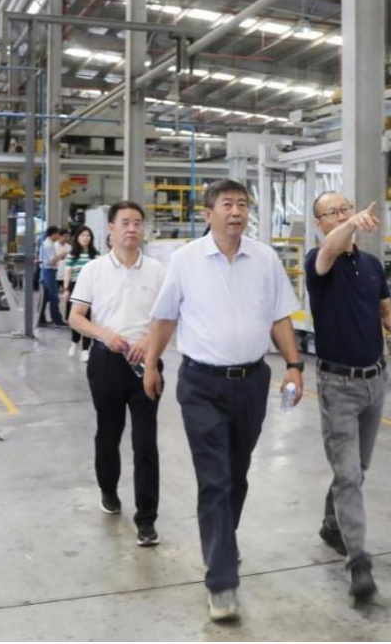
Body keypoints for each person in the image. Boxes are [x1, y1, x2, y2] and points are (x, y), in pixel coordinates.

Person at [144, 179, 303, 622]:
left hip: (251, 381)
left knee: (237, 474)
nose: (236, 211)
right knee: (214, 479)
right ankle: (221, 580)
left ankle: (222, 544)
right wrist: (152, 364)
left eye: (242, 204)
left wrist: (294, 365)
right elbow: (165, 318)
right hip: (202, 384)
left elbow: (280, 316)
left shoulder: (265, 258)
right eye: (227, 204)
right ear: (208, 213)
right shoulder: (186, 260)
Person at [306, 193, 391, 602]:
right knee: (349, 474)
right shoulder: (319, 261)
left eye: (345, 209)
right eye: (332, 213)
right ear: (319, 223)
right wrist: (350, 225)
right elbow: (332, 248)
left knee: (357, 468)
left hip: (374, 380)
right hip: (337, 385)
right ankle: (359, 563)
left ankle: (333, 524)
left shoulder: (371, 264)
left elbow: (385, 311)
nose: (341, 216)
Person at [68, 201, 167, 548]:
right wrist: (105, 335)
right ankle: (108, 490)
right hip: (106, 362)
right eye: (125, 223)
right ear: (110, 229)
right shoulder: (94, 270)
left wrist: (148, 343)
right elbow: (75, 317)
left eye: (137, 223)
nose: (132, 229)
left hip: (146, 363)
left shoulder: (158, 271)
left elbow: (167, 318)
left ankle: (146, 519)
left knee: (145, 443)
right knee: (108, 433)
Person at [61, 225, 98, 361]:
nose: (86, 238)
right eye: (83, 235)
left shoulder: (95, 254)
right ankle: (74, 341)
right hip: (75, 287)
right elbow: (68, 272)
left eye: (88, 235)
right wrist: (66, 290)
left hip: (91, 289)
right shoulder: (72, 254)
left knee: (88, 319)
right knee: (76, 318)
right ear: (77, 238)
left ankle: (85, 349)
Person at [38, 226, 66, 327]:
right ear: (53, 234)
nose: (59, 236)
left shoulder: (47, 244)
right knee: (54, 297)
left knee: (45, 297)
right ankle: (57, 321)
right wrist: (61, 256)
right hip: (49, 271)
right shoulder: (48, 245)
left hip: (47, 271)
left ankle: (41, 319)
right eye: (58, 234)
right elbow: (51, 261)